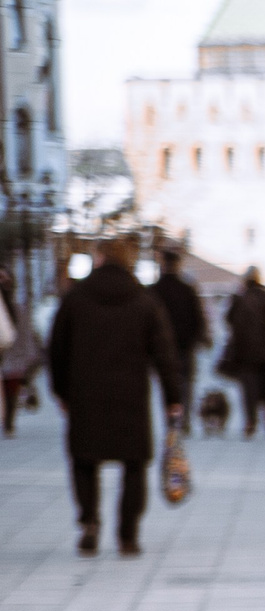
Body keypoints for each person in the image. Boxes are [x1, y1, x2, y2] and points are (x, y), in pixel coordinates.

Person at [48, 237, 185, 557]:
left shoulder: (75, 299)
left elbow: (57, 349)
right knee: (134, 463)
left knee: (84, 460)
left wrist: (61, 391)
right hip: (130, 395)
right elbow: (165, 353)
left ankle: (89, 522)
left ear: (98, 259)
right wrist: (172, 397)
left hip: (85, 394)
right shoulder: (144, 300)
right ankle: (128, 534)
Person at [219, 266, 265, 436]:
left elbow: (228, 320)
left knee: (249, 389)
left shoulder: (240, 300)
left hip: (245, 352)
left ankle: (251, 422)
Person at [150, 247, 208, 432]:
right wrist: (201, 336)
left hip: (160, 346)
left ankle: (171, 420)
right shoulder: (188, 289)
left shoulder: (154, 290)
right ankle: (184, 420)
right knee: (186, 384)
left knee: (166, 383)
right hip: (185, 345)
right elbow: (198, 317)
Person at [0, 280, 38, 435]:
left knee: (11, 388)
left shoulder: (18, 309)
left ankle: (8, 420)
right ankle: (8, 420)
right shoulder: (16, 308)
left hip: (12, 354)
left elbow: (23, 335)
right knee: (10, 389)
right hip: (11, 354)